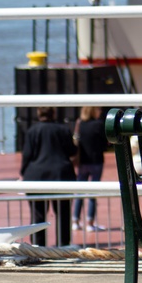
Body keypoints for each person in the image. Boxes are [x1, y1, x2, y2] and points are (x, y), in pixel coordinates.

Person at [21, 106, 77, 247]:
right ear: (54, 113)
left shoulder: (32, 131)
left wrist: (23, 172)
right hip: (61, 175)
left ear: (39, 113)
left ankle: (39, 247)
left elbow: (27, 155)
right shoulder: (63, 130)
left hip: (36, 176)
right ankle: (63, 246)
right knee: (63, 214)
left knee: (38, 215)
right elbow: (71, 151)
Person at [71, 106, 109, 233]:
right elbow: (105, 143)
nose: (100, 111)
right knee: (93, 192)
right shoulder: (99, 125)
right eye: (98, 109)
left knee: (79, 191)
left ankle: (75, 221)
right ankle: (90, 222)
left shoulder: (80, 123)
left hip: (82, 161)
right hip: (96, 161)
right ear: (93, 110)